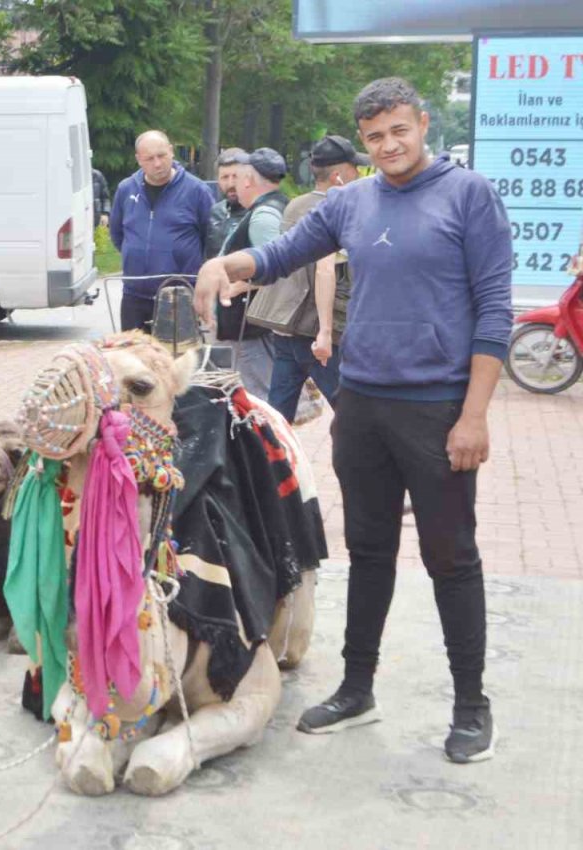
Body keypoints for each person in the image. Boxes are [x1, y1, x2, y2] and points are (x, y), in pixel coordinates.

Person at [194, 77, 511, 764]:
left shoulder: (468, 195)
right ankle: (357, 685)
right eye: (376, 136)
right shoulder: (353, 202)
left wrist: (476, 416)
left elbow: (494, 313)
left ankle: (471, 706)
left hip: (438, 409)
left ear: (422, 124)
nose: (390, 144)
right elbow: (284, 253)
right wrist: (227, 262)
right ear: (362, 143)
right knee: (367, 551)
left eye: (400, 130)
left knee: (450, 558)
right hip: (361, 404)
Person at [244, 135, 366, 421]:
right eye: (353, 169)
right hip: (316, 330)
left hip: (286, 327)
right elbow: (324, 270)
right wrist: (324, 331)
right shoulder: (335, 209)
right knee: (352, 415)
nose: (359, 175)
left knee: (278, 417)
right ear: (338, 175)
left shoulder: (295, 205)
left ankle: (274, 463)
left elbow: (283, 262)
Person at [109, 130, 213, 332]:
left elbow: (211, 239)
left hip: (178, 296)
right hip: (134, 296)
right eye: (149, 158)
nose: (157, 163)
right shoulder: (126, 189)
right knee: (133, 361)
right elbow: (117, 234)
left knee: (178, 361)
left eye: (161, 156)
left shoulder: (197, 191)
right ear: (139, 160)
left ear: (171, 152)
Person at [213, 148, 289, 399]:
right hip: (247, 326)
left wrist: (236, 287)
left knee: (258, 402)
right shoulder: (272, 207)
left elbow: (280, 267)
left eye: (238, 178)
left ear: (248, 180)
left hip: (251, 329)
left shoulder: (263, 216)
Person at [205, 148, 248, 259]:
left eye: (235, 176)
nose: (230, 184)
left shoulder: (260, 212)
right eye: (225, 177)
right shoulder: (215, 212)